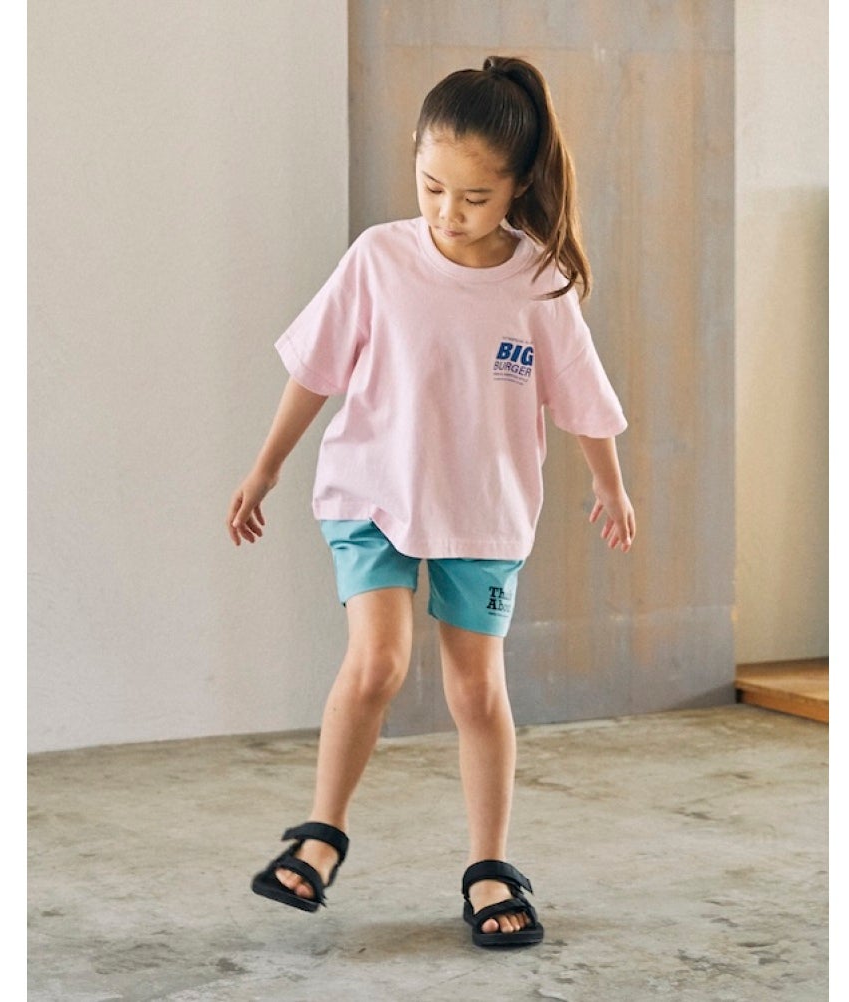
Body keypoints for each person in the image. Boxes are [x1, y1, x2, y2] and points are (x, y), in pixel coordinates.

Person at [227, 55, 635, 949]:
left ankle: (490, 865)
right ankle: (321, 835)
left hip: (482, 513)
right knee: (377, 663)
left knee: (476, 690)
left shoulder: (541, 284)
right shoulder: (380, 257)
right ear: (415, 159)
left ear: (518, 185)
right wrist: (265, 468)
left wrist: (609, 483)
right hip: (371, 493)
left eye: (475, 198)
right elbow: (315, 372)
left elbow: (582, 397)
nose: (449, 212)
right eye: (432, 187)